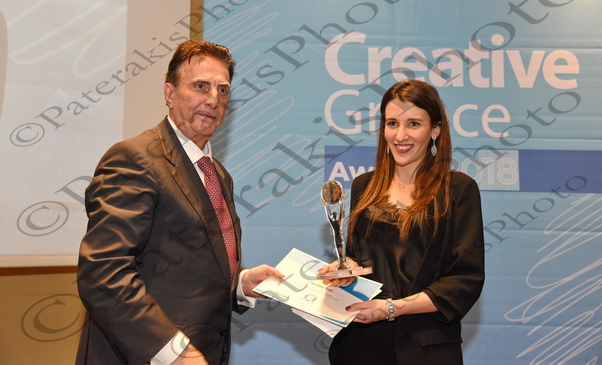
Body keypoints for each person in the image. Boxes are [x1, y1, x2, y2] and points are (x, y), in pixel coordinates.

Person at [76, 40, 284, 365]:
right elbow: (103, 272)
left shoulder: (217, 174)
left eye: (223, 90)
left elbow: (187, 269)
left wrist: (240, 283)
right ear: (170, 93)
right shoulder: (135, 159)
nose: (213, 100)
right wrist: (172, 352)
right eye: (201, 86)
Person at [319, 80, 485, 364]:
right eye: (392, 123)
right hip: (359, 345)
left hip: (426, 348)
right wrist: (344, 270)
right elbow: (360, 259)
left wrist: (392, 308)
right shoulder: (364, 185)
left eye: (414, 124)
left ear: (435, 130)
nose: (400, 135)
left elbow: (465, 280)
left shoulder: (458, 190)